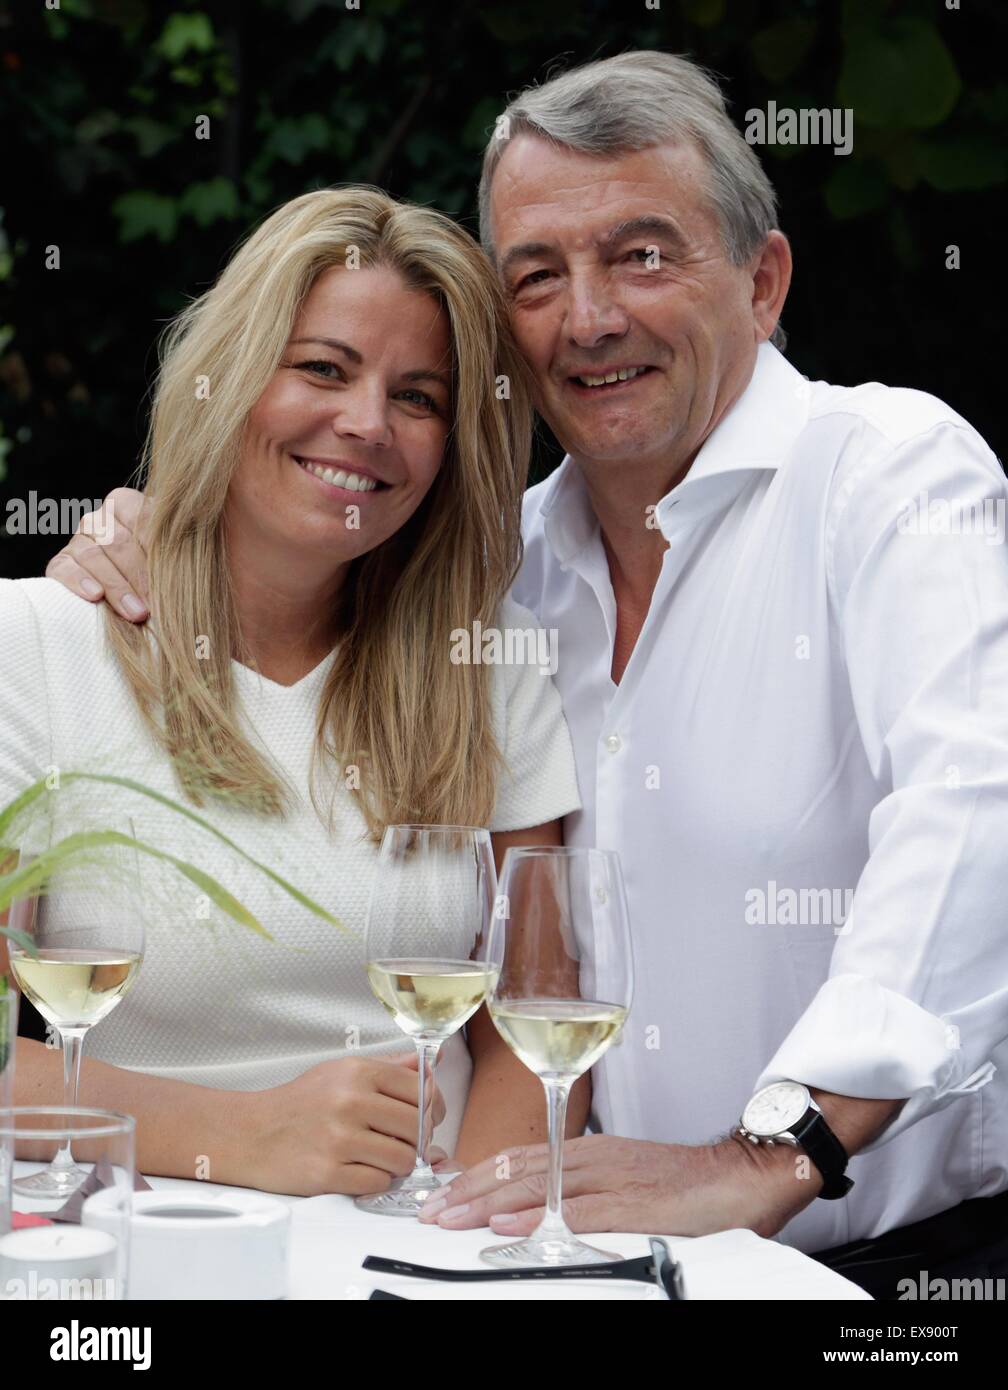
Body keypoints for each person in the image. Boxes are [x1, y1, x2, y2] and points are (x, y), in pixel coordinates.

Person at [48, 53, 1008, 1296]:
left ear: (763, 283)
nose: (589, 317)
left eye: (643, 255)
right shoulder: (500, 577)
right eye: (538, 277)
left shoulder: (890, 478)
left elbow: (976, 818)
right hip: (592, 1259)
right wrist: (137, 541)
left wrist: (776, 1146)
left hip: (880, 1265)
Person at [1, 186, 584, 1199]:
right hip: (137, 1242)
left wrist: (463, 1240)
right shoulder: (36, 645)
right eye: (322, 368)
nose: (366, 424)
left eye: (419, 397)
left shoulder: (489, 664)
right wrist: (243, 1135)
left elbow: (532, 1040)